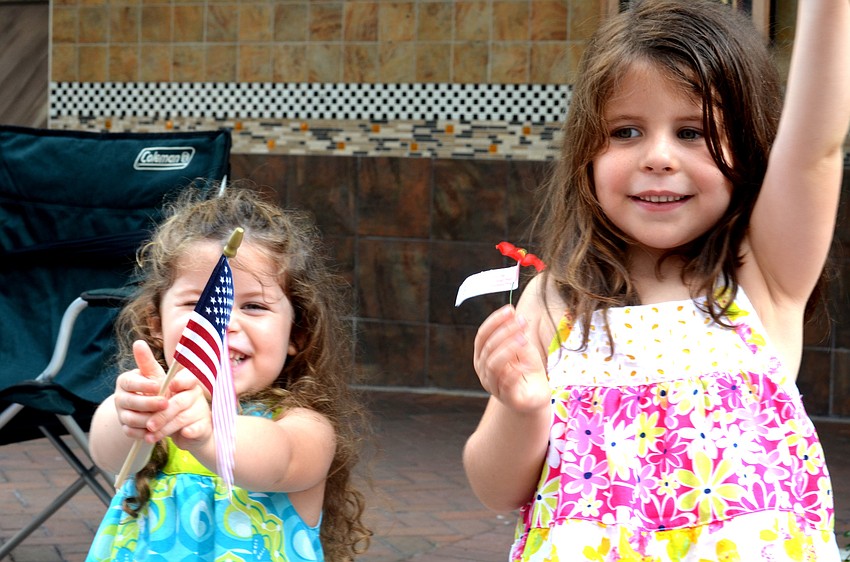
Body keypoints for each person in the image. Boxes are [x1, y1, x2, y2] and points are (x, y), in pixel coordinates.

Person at [463, 0, 850, 560]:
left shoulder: (762, 274)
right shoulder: (556, 302)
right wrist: (524, 409)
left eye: (692, 132)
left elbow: (816, 146)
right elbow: (495, 488)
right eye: (626, 131)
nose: (659, 157)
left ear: (748, 148)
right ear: (585, 155)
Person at [86, 187, 371, 561]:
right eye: (195, 303)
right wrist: (130, 416)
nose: (221, 323)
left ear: (296, 335)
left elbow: (278, 462)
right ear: (155, 325)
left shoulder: (303, 426)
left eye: (254, 306)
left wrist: (208, 435)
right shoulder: (163, 407)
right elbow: (109, 453)